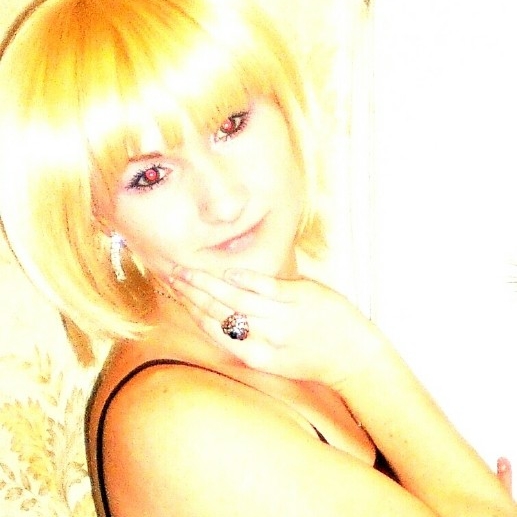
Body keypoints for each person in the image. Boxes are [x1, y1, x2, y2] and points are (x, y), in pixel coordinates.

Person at [0, 0, 515, 516]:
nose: (224, 200)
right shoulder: (183, 426)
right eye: (151, 176)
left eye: (230, 126)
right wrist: (362, 363)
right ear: (96, 216)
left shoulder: (285, 334)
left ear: (285, 109)